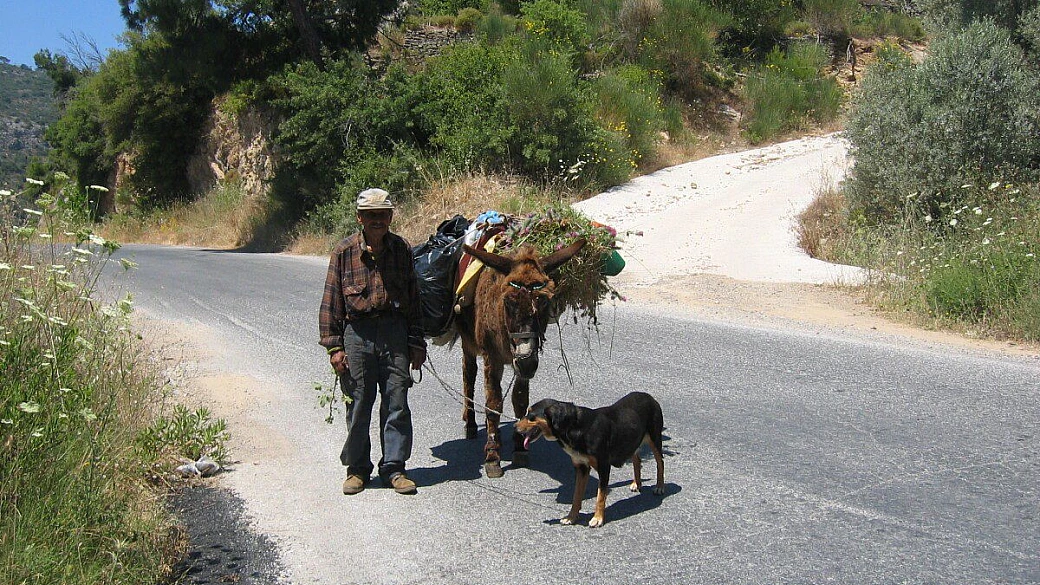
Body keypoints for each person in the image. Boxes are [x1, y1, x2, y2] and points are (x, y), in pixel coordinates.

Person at [319, 188, 427, 495]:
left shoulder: (402, 249)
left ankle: (394, 468)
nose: (377, 221)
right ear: (360, 218)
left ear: (391, 216)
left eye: (382, 215)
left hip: (395, 334)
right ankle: (357, 469)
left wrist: (416, 343)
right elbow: (331, 302)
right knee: (358, 403)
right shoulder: (343, 251)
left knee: (397, 403)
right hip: (358, 335)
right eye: (371, 215)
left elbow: (414, 300)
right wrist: (335, 347)